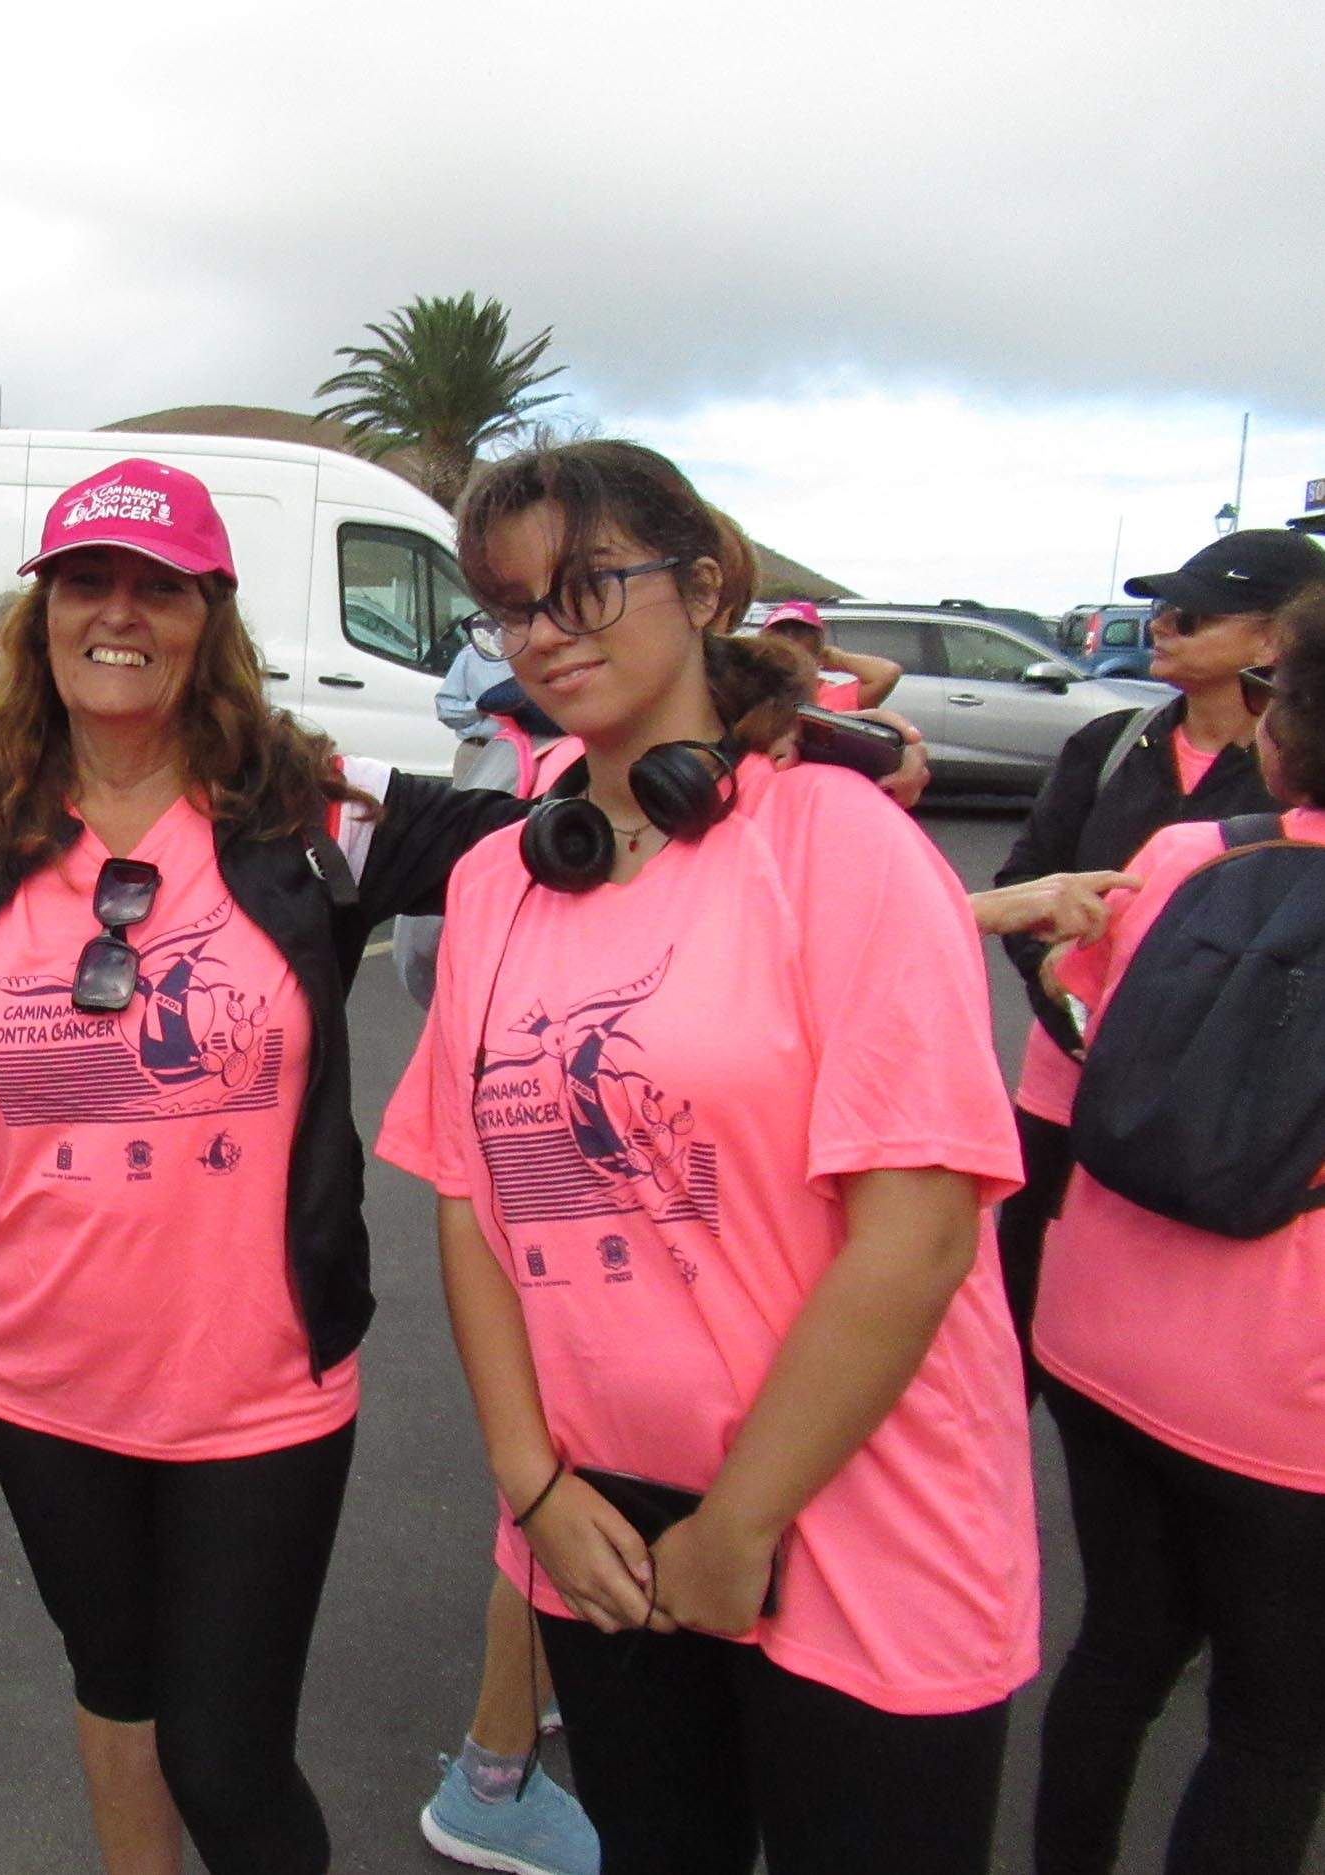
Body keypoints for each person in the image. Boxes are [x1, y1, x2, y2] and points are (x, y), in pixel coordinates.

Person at [0, 455, 552, 1875]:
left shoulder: (300, 810)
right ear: (40, 613)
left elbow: (542, 840)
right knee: (117, 1698)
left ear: (209, 618)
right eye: (88, 584)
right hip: (42, 1380)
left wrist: (754, 767)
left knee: (227, 1754)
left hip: (257, 1389)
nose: (119, 614)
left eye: (157, 588)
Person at [376, 437, 1035, 1875]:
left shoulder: (841, 848)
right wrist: (533, 1484)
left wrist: (741, 1524)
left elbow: (917, 1232)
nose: (548, 633)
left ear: (704, 581)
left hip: (852, 1515)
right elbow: (470, 1203)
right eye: (513, 606)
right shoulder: (498, 881)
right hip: (602, 1519)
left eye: (588, 585)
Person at [1027, 597, 1325, 1875]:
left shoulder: (1187, 857)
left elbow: (1071, 999)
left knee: (1119, 1647)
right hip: (1284, 1399)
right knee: (1274, 1722)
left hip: (1097, 1333)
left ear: (1281, 728)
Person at [988, 527, 1319, 1386]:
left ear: (1278, 636)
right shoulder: (1107, 743)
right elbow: (1028, 883)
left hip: (1219, 1104)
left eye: (1195, 611)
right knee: (1010, 1322)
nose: (1163, 624)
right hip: (1062, 1090)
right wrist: (1077, 1014)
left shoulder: (1293, 780)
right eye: (1162, 607)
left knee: (1187, 1318)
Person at [757, 600, 900, 710]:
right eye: (780, 633)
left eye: (799, 635)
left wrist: (835, 658)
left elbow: (888, 673)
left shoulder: (837, 698)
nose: (789, 638)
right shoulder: (750, 697)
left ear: (817, 656)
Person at [435, 629, 516, 785]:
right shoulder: (472, 654)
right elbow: (445, 708)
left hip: (524, 755)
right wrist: (481, 707)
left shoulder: (538, 653)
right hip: (476, 751)